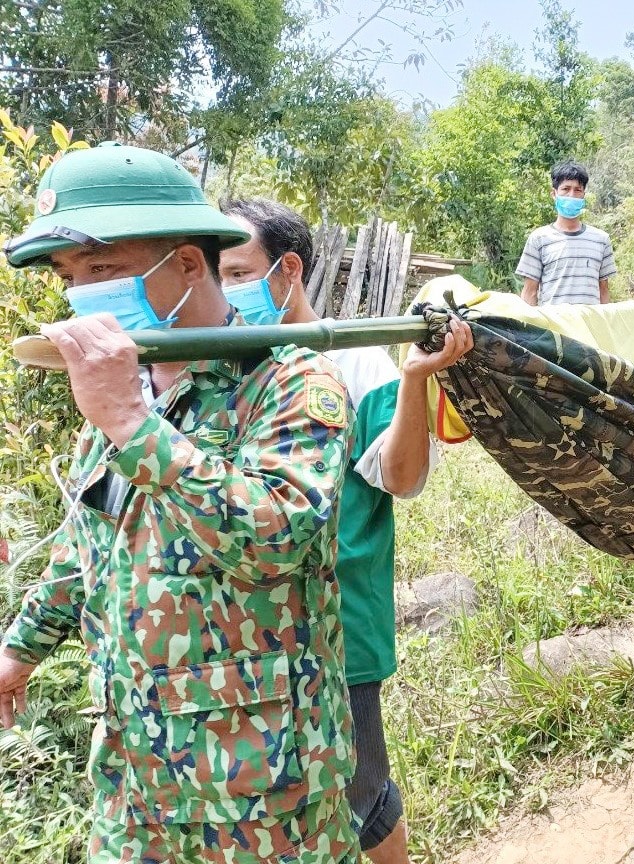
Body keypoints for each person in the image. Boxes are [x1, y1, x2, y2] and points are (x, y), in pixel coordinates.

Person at [0, 144, 359, 862]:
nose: (79, 296)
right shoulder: (123, 392)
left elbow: (277, 539)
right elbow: (88, 542)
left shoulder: (288, 381)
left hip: (261, 783)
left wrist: (132, 427)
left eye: (101, 270)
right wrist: (19, 651)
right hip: (135, 777)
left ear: (189, 264)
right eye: (70, 278)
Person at [218, 198, 472, 864]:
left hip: (338, 624)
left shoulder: (357, 363)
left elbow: (401, 476)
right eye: (214, 275)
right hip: (245, 628)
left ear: (287, 269)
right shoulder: (224, 368)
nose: (225, 290)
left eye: (237, 271)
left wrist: (415, 380)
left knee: (359, 793)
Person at [517, 160, 617, 306]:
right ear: (554, 194)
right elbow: (529, 293)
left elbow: (604, 292)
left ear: (583, 195)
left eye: (577, 190)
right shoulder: (539, 239)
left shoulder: (601, 240)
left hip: (589, 327)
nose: (571, 195)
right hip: (553, 327)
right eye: (566, 189)